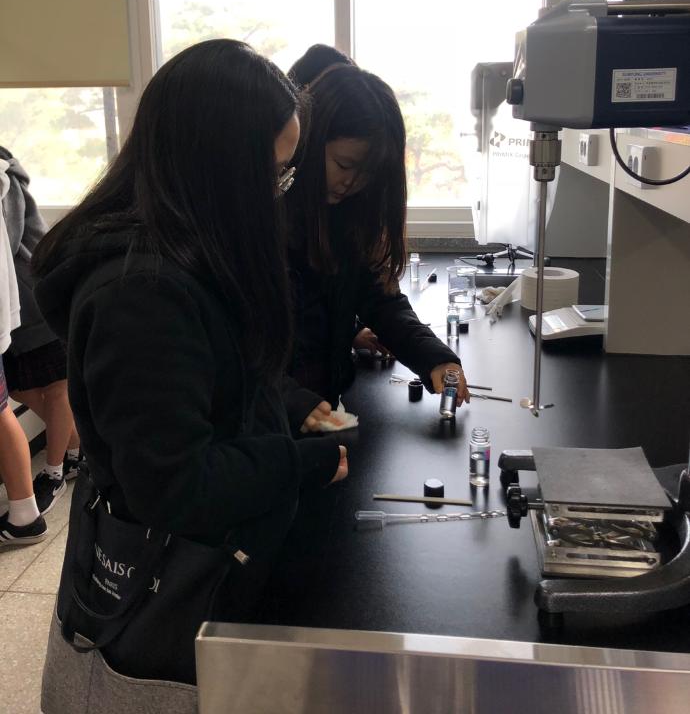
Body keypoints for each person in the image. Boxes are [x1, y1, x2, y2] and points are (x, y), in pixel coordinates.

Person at [33, 39, 347, 706]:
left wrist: (285, 403)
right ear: (215, 170)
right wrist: (299, 463)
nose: (278, 195)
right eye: (272, 175)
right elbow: (176, 485)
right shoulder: (139, 296)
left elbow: (211, 373)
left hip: (218, 569)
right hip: (167, 605)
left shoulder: (191, 253)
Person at [282, 47, 469, 436]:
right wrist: (292, 401)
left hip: (319, 412)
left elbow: (380, 300)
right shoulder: (267, 218)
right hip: (271, 423)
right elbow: (239, 351)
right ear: (310, 142)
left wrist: (435, 358)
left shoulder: (347, 214)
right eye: (344, 165)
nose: (352, 183)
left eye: (366, 174)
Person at [0, 146, 81, 515]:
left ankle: (54, 471)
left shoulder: (5, 175)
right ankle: (79, 448)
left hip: (37, 295)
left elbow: (9, 237)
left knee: (58, 387)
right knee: (21, 387)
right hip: (18, 304)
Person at [0, 158, 47, 547]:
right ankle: (25, 514)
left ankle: (27, 513)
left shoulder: (6, 176)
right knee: (7, 403)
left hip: (33, 303)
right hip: (17, 307)